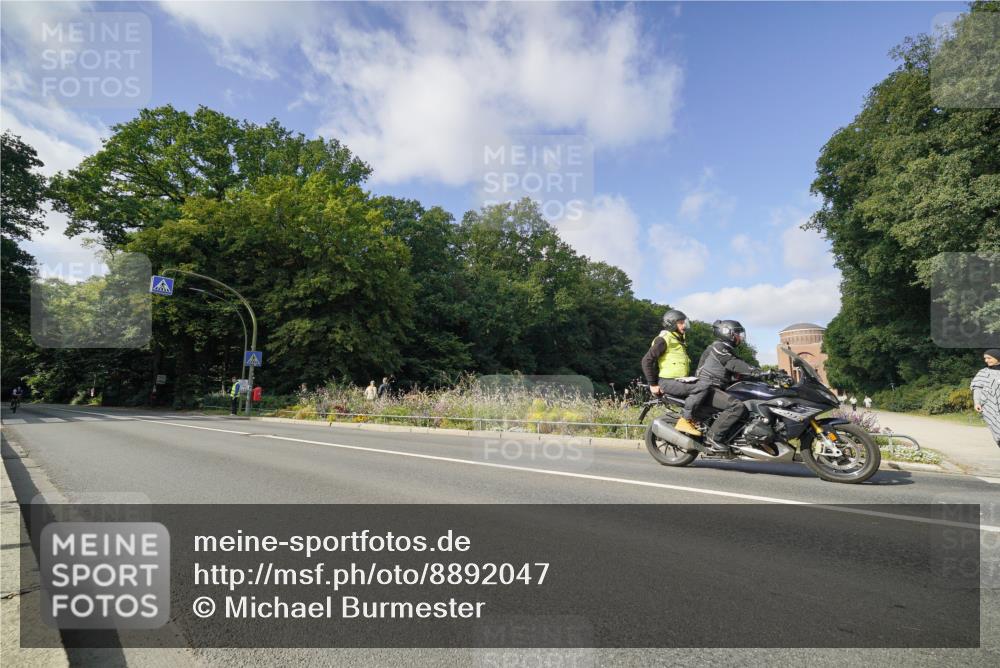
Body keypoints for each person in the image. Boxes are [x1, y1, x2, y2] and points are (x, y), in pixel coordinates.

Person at [690, 319, 768, 450]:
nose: (740, 337)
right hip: (708, 387)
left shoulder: (728, 350)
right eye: (738, 333)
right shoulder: (718, 347)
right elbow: (733, 364)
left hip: (718, 387)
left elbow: (738, 371)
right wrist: (755, 371)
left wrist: (765, 376)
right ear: (727, 333)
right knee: (736, 407)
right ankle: (713, 437)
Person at [641, 309, 701, 434]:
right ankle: (686, 420)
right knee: (701, 388)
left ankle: (696, 423)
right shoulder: (664, 340)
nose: (684, 326)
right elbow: (646, 361)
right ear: (672, 324)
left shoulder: (678, 339)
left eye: (684, 322)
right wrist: (653, 384)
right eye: (681, 323)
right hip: (668, 382)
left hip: (679, 381)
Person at [972, 348, 1000, 448]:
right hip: (989, 407)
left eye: (989, 358)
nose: (986, 360)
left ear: (997, 358)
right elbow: (977, 388)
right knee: (997, 431)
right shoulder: (983, 372)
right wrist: (977, 402)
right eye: (985, 358)